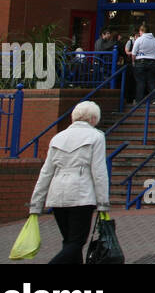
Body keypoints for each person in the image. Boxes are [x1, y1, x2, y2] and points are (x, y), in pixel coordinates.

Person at [28, 100, 110, 264]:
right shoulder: (96, 137)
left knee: (69, 242)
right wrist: (103, 203)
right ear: (93, 119)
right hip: (82, 196)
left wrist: (36, 204)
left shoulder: (57, 137)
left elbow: (46, 172)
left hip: (57, 196)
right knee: (76, 242)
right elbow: (99, 172)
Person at [128, 23, 155, 103]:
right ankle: (154, 99)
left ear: (142, 31)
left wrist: (133, 62)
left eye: (140, 31)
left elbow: (133, 53)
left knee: (140, 82)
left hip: (140, 62)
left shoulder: (139, 39)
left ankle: (139, 100)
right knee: (152, 82)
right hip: (152, 62)